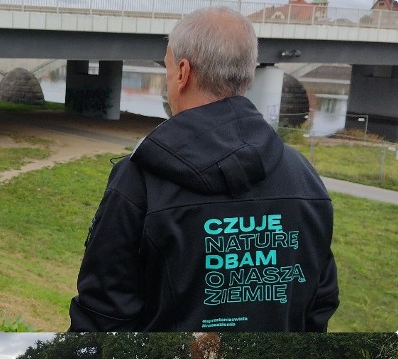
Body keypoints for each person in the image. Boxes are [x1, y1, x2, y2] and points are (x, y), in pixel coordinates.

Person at [69, 7, 339, 332]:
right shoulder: (304, 177)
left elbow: (102, 317)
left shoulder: (139, 180)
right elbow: (319, 304)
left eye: (168, 69)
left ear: (182, 72)